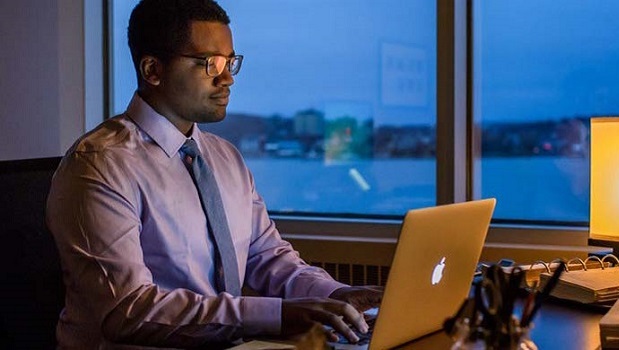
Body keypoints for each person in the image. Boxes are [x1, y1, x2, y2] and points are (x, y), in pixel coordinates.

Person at [46, 0, 381, 348]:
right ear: (152, 70)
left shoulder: (224, 157)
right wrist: (279, 316)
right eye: (210, 64)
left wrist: (340, 295)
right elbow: (127, 310)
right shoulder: (99, 165)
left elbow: (267, 257)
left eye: (230, 62)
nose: (227, 78)